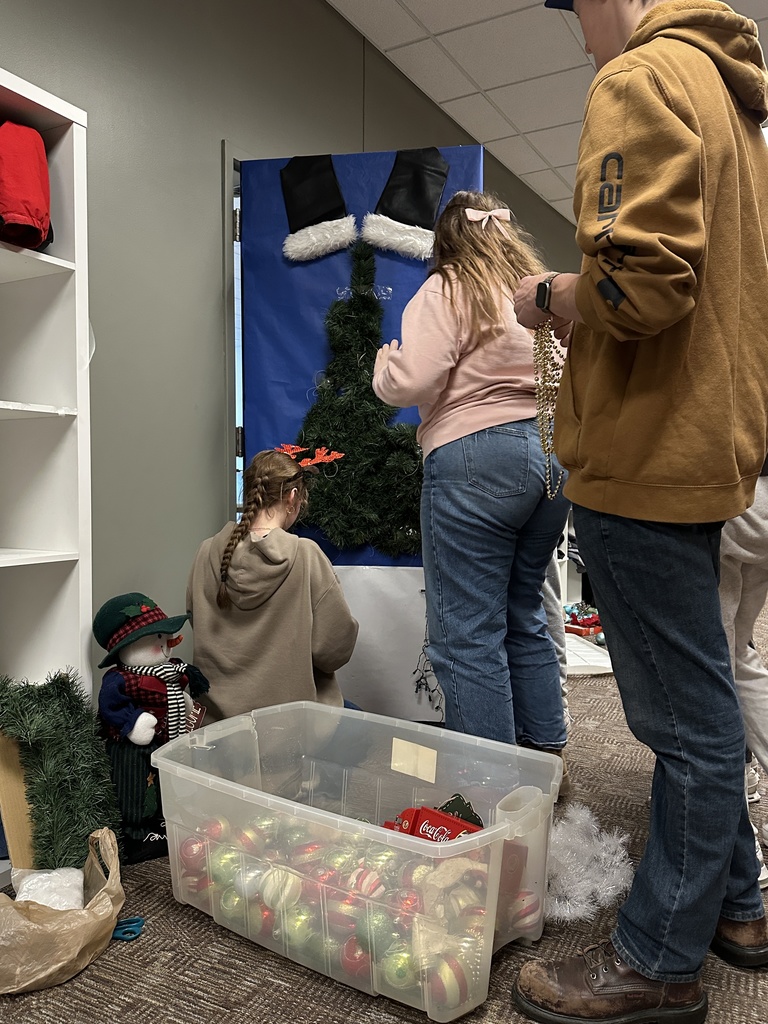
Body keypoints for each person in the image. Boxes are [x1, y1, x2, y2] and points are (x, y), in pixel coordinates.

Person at [510, 1, 768, 1021]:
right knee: (701, 692)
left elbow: (639, 287)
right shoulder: (735, 104)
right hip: (706, 444)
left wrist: (550, 294)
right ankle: (741, 910)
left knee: (684, 723)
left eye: (573, 6)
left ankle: (657, 961)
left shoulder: (641, 77)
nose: (579, 34)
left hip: (646, 456)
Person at [372, 189, 572, 772]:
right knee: (523, 612)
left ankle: (492, 791)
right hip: (551, 456)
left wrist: (386, 366)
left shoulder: (450, 286)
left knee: (465, 636)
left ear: (447, 242)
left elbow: (415, 379)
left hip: (475, 457)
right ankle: (545, 761)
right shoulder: (538, 290)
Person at [186, 447, 359, 723]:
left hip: (217, 729)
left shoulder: (207, 551)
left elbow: (199, 623)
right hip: (291, 731)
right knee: (360, 726)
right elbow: (334, 652)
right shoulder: (306, 555)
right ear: (292, 496)